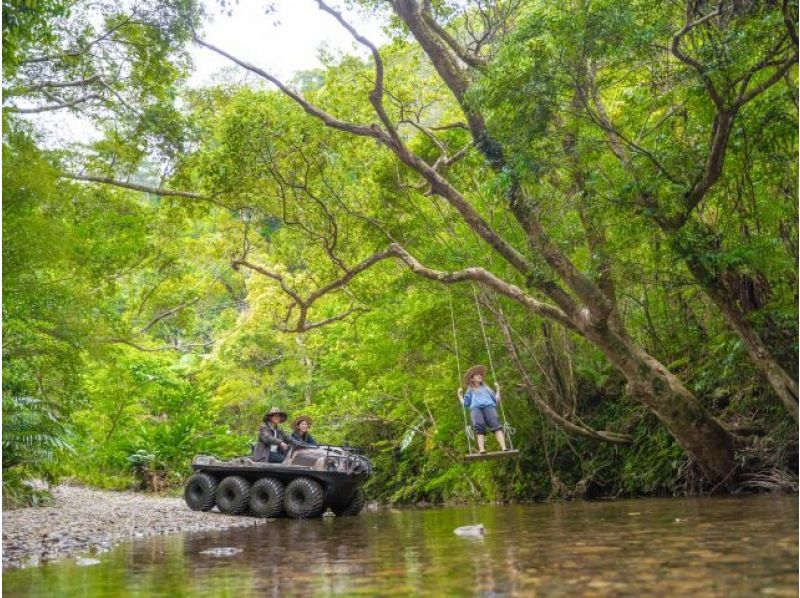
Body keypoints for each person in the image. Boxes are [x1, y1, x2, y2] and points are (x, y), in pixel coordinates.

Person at [457, 364, 508, 454]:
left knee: (496, 425)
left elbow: (496, 401)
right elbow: (465, 404)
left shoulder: (487, 388)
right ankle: (482, 449)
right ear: (472, 379)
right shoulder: (470, 390)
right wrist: (460, 395)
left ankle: (504, 447)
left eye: (480, 375)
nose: (479, 376)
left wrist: (498, 390)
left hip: (489, 406)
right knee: (479, 426)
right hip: (476, 408)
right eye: (477, 375)